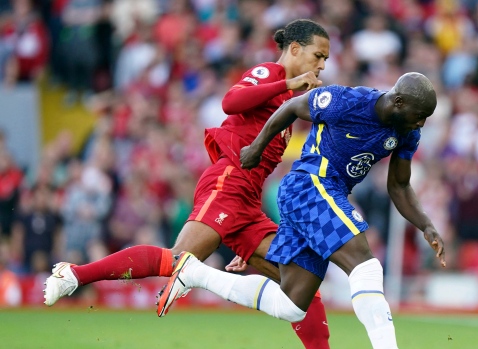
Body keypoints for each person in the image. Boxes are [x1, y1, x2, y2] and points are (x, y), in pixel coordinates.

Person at [44, 19, 332, 349]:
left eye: (325, 59)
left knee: (302, 280)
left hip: (248, 202)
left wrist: (243, 238)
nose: (322, 65)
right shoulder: (270, 74)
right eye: (318, 55)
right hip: (229, 182)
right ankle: (74, 275)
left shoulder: (291, 100)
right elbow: (230, 102)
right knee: (178, 258)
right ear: (294, 49)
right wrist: (288, 83)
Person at [158, 72, 446, 349]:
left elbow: (399, 185)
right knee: (366, 265)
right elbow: (291, 106)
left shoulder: (407, 132)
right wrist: (257, 147)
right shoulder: (347, 101)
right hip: (310, 184)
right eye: (419, 115)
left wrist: (426, 224)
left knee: (292, 305)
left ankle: (195, 274)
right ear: (398, 102)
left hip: (320, 195)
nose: (421, 123)